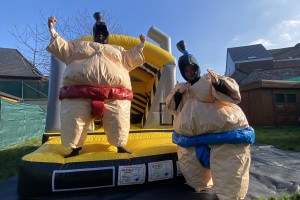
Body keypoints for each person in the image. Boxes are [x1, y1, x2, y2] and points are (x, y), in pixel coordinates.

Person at [47, 13, 146, 158]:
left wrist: (141, 46)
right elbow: (64, 49)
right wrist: (52, 30)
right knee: (74, 122)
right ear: (94, 35)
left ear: (106, 35)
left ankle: (120, 145)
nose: (100, 36)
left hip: (114, 95)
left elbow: (130, 58)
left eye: (103, 33)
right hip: (79, 93)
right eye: (98, 33)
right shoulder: (80, 46)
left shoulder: (117, 50)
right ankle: (75, 148)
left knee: (119, 120)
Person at [166, 40, 255, 200]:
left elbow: (233, 93)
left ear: (196, 68)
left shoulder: (208, 79)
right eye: (185, 70)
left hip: (224, 137)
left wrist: (219, 84)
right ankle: (201, 184)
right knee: (195, 177)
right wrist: (178, 94)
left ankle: (230, 196)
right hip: (191, 141)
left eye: (191, 69)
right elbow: (171, 106)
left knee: (230, 178)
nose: (189, 72)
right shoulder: (181, 88)